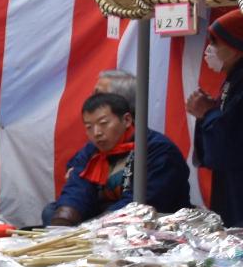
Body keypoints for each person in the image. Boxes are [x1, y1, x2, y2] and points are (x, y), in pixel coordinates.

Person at [43, 91, 189, 225]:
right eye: (89, 127)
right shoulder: (92, 150)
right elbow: (78, 187)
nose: (97, 132)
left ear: (126, 120)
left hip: (149, 219)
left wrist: (97, 225)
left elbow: (145, 200)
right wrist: (65, 217)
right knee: (53, 212)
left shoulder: (158, 149)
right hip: (105, 214)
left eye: (103, 124)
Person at [191, 8, 243, 226]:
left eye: (215, 43)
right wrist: (210, 112)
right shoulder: (233, 78)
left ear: (235, 48)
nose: (209, 50)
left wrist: (207, 113)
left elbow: (231, 143)